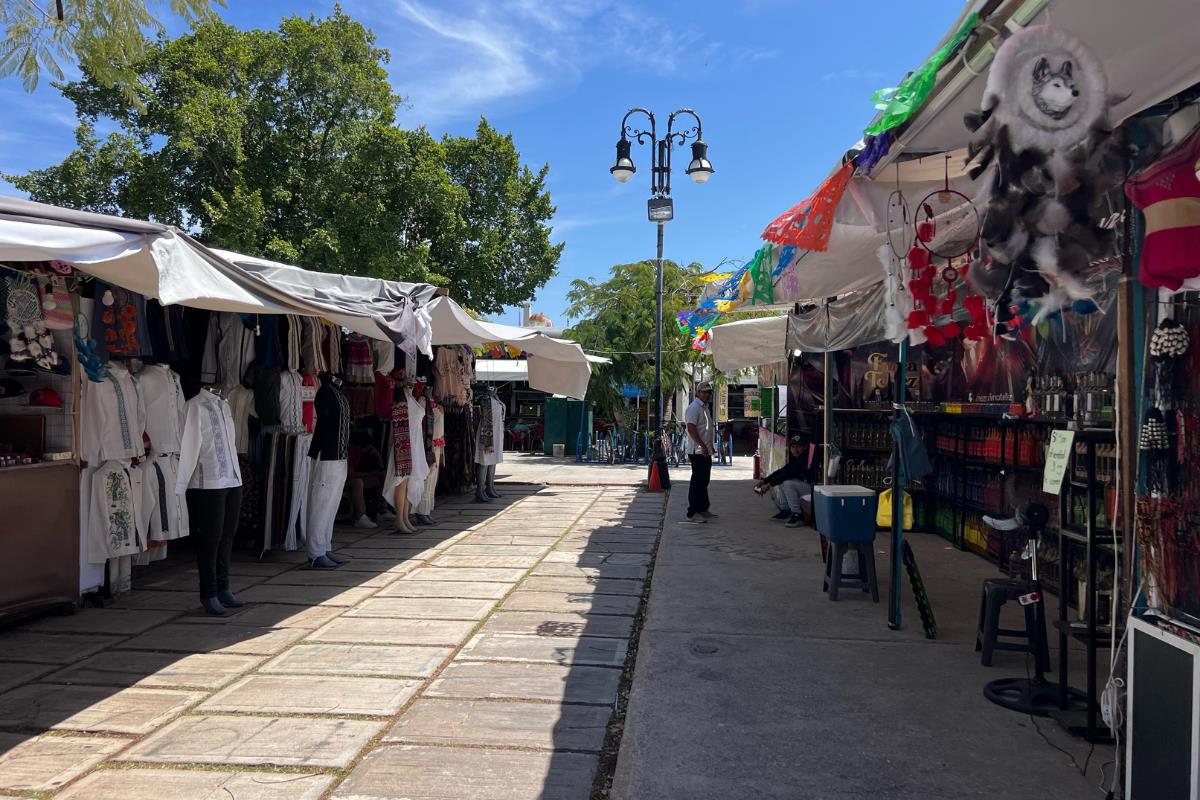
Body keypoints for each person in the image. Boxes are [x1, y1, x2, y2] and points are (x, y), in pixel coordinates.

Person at [754, 434, 815, 528]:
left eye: (799, 446)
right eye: (793, 446)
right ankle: (786, 511)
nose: (795, 449)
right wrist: (764, 481)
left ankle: (797, 515)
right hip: (806, 489)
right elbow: (782, 471)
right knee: (784, 481)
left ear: (805, 447)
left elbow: (787, 474)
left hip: (814, 491)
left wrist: (768, 485)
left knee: (787, 483)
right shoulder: (795, 458)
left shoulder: (804, 459)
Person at [684, 382, 715, 523]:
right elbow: (691, 428)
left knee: (704, 480)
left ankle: (703, 508)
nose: (707, 394)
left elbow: (706, 429)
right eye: (704, 392)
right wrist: (702, 446)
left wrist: (709, 446)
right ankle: (693, 511)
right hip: (696, 451)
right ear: (698, 392)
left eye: (709, 392)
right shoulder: (694, 408)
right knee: (697, 481)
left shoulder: (705, 408)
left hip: (705, 450)